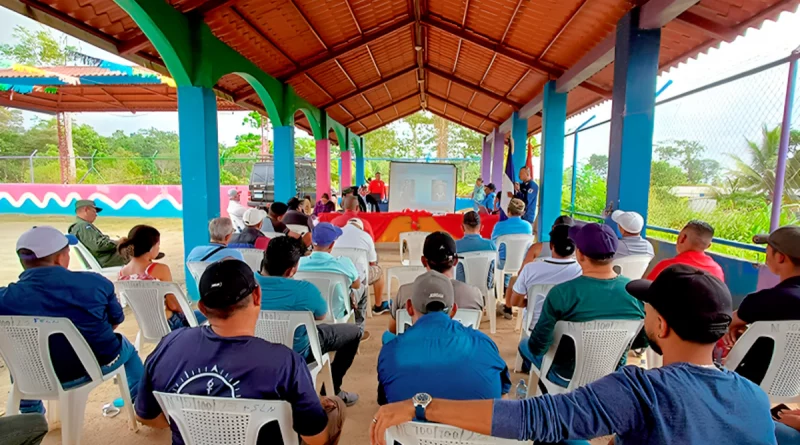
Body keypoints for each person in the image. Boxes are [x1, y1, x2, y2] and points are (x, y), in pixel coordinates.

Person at [370, 265, 778, 445]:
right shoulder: (756, 399)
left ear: (663, 327)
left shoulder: (640, 391)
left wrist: (422, 405)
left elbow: (535, 418)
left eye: (649, 309)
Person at [135, 259, 346, 445]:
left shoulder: (169, 344)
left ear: (202, 307)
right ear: (257, 295)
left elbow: (146, 416)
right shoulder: (285, 362)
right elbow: (315, 438)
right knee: (334, 407)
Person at [0, 226, 143, 414]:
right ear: (60, 258)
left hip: (36, 376)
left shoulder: (5, 298)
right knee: (127, 348)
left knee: (23, 363)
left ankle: (31, 417)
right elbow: (115, 321)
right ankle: (141, 401)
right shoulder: (97, 283)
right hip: (94, 366)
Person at [518, 223, 645, 388]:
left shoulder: (562, 293)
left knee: (525, 345)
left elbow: (538, 347)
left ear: (579, 254)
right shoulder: (635, 293)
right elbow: (640, 341)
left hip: (564, 374)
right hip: (611, 373)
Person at [257, 236, 362, 406]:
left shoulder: (246, 286)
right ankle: (334, 389)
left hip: (256, 350)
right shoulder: (304, 290)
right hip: (299, 353)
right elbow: (321, 315)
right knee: (354, 332)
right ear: (291, 270)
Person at [378, 271, 511, 405]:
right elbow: (502, 396)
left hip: (409, 425)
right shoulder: (484, 345)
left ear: (409, 308)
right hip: (473, 424)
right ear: (453, 310)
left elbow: (385, 402)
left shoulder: (391, 352)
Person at [722, 225, 800, 384]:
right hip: (794, 387)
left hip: (753, 383)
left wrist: (741, 332)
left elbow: (727, 323)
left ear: (780, 257)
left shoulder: (765, 300)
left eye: (768, 248)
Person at [389, 232, 484, 334]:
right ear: (455, 261)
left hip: (416, 347)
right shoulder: (474, 294)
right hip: (459, 348)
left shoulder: (405, 293)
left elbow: (393, 329)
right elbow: (473, 329)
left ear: (424, 261)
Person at [118, 225, 206, 330]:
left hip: (147, 326)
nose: (159, 248)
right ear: (151, 247)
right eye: (158, 245)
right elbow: (173, 305)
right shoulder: (159, 269)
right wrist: (186, 308)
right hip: (172, 323)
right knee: (213, 314)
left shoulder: (122, 273)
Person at [505, 224, 582, 330]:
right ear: (575, 247)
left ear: (551, 246)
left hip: (534, 328)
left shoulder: (530, 269)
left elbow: (515, 302)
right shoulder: (581, 270)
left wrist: (532, 302)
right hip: (568, 330)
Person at [298, 223, 365, 335]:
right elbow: (356, 285)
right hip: (337, 314)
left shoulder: (299, 263)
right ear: (332, 244)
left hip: (307, 313)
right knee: (362, 290)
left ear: (312, 243)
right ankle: (358, 331)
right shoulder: (344, 263)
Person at [335, 218, 389, 314]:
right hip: (359, 279)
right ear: (361, 227)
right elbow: (373, 262)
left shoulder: (336, 234)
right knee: (379, 271)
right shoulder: (365, 236)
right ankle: (378, 306)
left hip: (336, 276)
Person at [647, 220, 724, 281]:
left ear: (682, 238)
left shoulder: (667, 266)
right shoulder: (717, 270)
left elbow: (645, 292)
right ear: (708, 246)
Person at [68, 199, 127, 267]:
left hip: (103, 259)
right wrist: (118, 242)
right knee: (138, 250)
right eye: (94, 211)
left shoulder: (79, 227)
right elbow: (99, 246)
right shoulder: (83, 226)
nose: (96, 215)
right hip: (106, 260)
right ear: (86, 209)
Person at [491, 198, 532, 293]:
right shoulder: (528, 226)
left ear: (508, 211)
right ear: (523, 213)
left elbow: (493, 244)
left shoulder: (499, 226)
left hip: (502, 263)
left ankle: (503, 286)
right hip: (522, 261)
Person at [454, 211, 496, 288]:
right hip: (486, 287)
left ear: (462, 227)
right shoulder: (491, 245)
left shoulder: (455, 246)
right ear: (481, 227)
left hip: (462, 288)